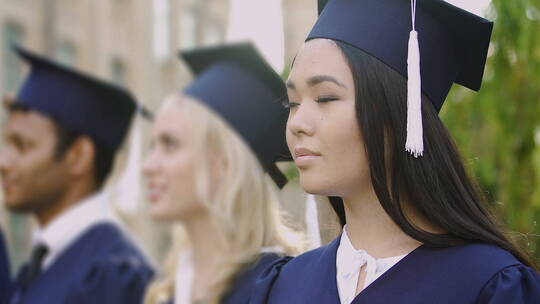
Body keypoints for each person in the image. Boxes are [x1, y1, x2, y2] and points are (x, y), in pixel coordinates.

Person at [249, 0, 540, 303]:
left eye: (325, 98)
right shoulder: (284, 285)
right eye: (292, 103)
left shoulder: (489, 286)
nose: (297, 123)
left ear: (401, 113)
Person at [143, 42, 302, 304]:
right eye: (153, 146)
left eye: (170, 144)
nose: (147, 166)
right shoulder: (169, 290)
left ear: (225, 163)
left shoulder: (281, 288)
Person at [0, 46, 154, 304]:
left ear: (79, 156)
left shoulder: (113, 275)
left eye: (23, 146)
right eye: (6, 143)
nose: (3, 162)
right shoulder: (44, 264)